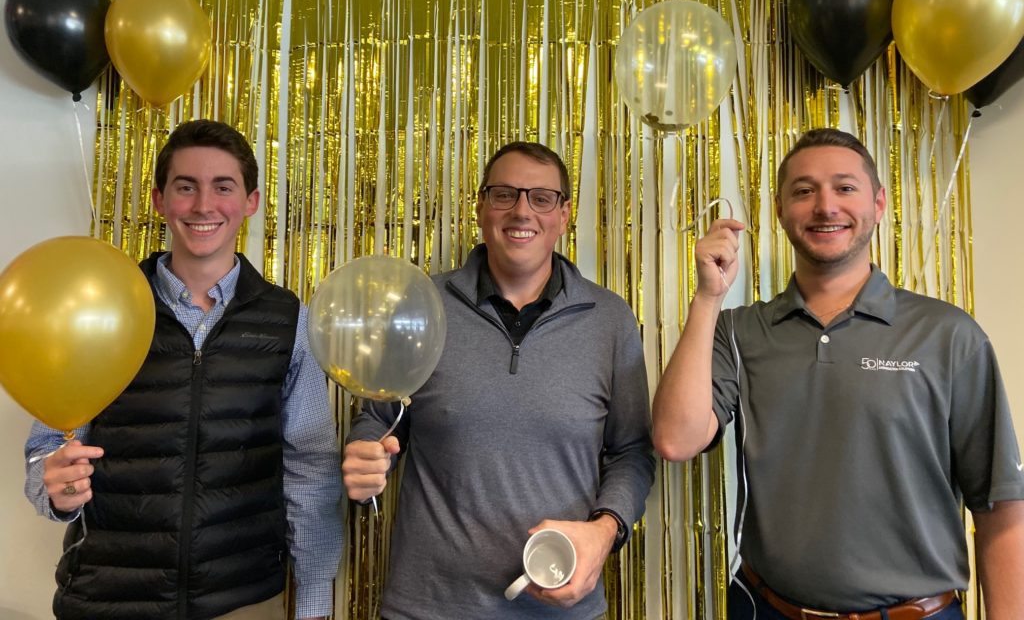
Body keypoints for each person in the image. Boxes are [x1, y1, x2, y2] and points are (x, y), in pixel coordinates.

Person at [652, 127, 1024, 619]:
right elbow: (675, 441)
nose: (825, 207)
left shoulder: (948, 334)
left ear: (879, 203)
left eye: (845, 188)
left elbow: (1000, 504)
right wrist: (708, 297)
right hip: (766, 608)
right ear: (780, 211)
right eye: (804, 191)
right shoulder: (739, 330)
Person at [24, 119, 344, 620]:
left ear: (251, 202)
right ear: (159, 199)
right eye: (185, 187)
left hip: (243, 600)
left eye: (223, 187)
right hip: (109, 597)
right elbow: (45, 449)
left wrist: (313, 601)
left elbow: (310, 467)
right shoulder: (101, 309)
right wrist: (55, 491)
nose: (203, 206)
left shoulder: (288, 320)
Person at [343, 141, 655, 619]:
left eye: (541, 197)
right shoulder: (422, 305)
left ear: (564, 214)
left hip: (563, 609)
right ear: (482, 207)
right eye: (504, 194)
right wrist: (365, 453)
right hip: (428, 607)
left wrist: (605, 528)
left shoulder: (610, 320)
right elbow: (379, 418)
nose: (522, 211)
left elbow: (632, 451)